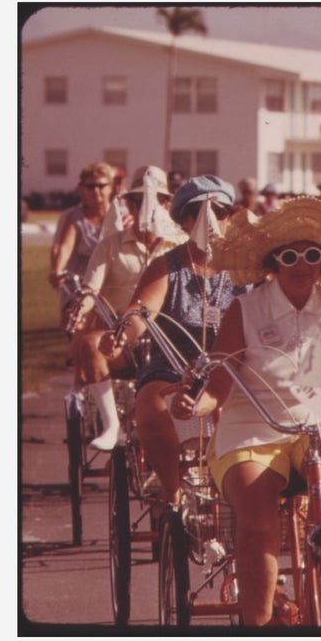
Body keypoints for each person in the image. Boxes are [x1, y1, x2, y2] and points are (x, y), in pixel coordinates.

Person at [171, 198, 321, 628]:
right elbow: (218, 387)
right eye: (289, 256)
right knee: (257, 524)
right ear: (273, 263)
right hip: (252, 428)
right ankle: (260, 627)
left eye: (312, 255)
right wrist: (195, 404)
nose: (301, 265)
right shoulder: (245, 309)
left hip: (319, 424)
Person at [109, 175, 246, 503]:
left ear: (230, 217)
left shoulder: (247, 268)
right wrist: (121, 335)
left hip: (238, 367)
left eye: (220, 212)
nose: (210, 220)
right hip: (175, 365)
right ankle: (173, 492)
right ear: (184, 220)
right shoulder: (167, 266)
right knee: (151, 404)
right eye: (198, 212)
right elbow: (140, 311)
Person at [64, 166, 182, 450]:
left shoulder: (180, 244)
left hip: (170, 340)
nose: (146, 208)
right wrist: (80, 308)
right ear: (129, 205)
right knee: (90, 345)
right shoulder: (110, 245)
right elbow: (91, 289)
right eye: (138, 202)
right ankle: (111, 425)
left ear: (166, 205)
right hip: (122, 337)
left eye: (155, 201)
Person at [47, 162, 115, 302]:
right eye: (90, 186)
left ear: (111, 187)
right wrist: (58, 270)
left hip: (111, 285)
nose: (96, 190)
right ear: (82, 189)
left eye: (101, 185)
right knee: (75, 314)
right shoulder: (75, 217)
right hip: (79, 284)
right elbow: (64, 247)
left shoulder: (121, 216)